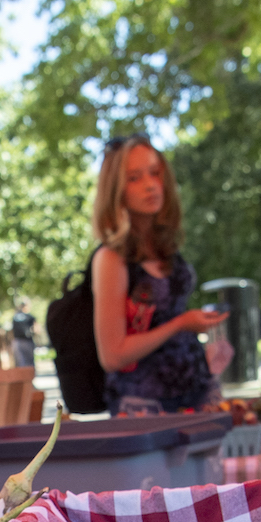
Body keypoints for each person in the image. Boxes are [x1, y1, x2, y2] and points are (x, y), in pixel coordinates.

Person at [90, 134, 224, 415]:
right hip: (144, 408)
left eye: (155, 173)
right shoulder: (111, 259)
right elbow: (112, 355)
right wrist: (180, 324)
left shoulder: (165, 248)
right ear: (116, 190)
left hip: (197, 395)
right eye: (134, 178)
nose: (150, 186)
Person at [10, 297, 36, 367]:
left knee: (20, 364)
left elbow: (11, 331)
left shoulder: (15, 316)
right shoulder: (30, 316)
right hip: (27, 341)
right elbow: (36, 329)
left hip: (17, 342)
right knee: (30, 363)